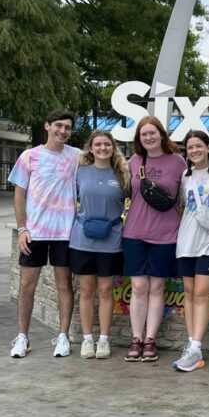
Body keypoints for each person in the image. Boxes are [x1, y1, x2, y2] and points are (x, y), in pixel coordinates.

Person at [8, 111, 80, 359]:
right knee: (27, 285)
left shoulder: (77, 156)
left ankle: (63, 336)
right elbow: (19, 195)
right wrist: (22, 229)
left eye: (67, 127)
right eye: (58, 125)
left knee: (64, 284)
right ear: (47, 126)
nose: (63, 131)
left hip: (65, 232)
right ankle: (22, 337)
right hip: (34, 233)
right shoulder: (29, 156)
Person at [122, 116, 186, 363]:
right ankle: (136, 338)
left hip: (166, 234)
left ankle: (150, 339)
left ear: (161, 134)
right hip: (134, 233)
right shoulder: (133, 161)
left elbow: (185, 196)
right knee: (139, 287)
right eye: (144, 134)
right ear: (139, 138)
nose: (148, 137)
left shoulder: (178, 162)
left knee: (157, 287)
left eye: (152, 132)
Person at [69, 131, 130, 360]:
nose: (103, 148)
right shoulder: (80, 172)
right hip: (83, 240)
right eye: (98, 144)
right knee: (86, 290)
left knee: (105, 290)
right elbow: (68, 201)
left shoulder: (122, 174)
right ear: (91, 148)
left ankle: (103, 339)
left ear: (113, 147)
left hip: (111, 240)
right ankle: (87, 339)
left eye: (107, 144)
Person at [173, 130, 209, 372]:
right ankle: (192, 346)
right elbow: (181, 205)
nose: (194, 150)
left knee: (202, 293)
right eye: (190, 147)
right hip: (187, 241)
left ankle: (196, 347)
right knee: (189, 292)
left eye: (198, 146)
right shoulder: (185, 176)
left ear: (208, 147)